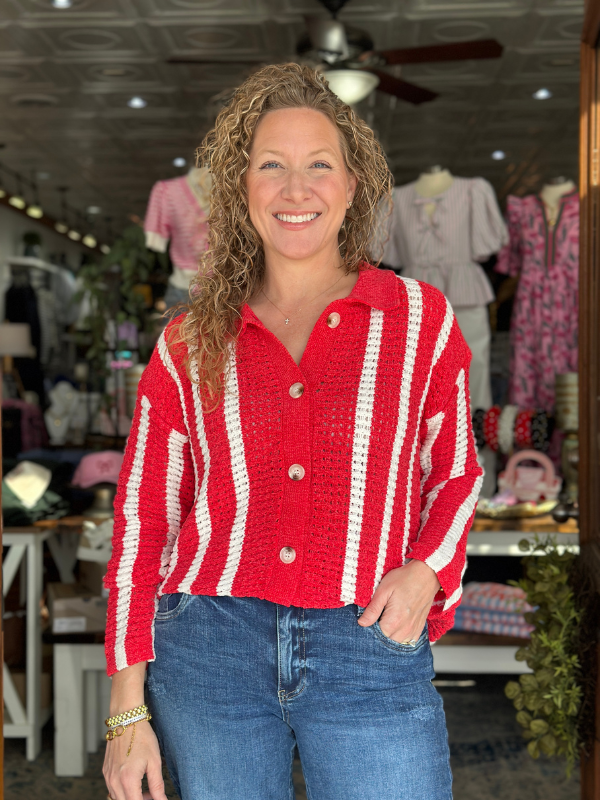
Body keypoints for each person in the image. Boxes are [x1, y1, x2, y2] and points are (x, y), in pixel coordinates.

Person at [103, 63, 483, 800]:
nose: (295, 188)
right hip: (209, 651)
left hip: (371, 641)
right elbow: (145, 518)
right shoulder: (188, 341)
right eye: (270, 166)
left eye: (319, 165)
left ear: (353, 183)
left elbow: (457, 475)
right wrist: (125, 716)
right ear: (241, 190)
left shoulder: (418, 320)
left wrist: (427, 568)